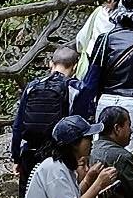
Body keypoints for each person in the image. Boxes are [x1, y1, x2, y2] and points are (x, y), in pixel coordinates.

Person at [11, 46, 81, 182]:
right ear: (75, 66)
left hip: (29, 153)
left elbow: (18, 125)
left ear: (51, 64)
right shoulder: (75, 88)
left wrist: (16, 158)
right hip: (57, 156)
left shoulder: (32, 86)